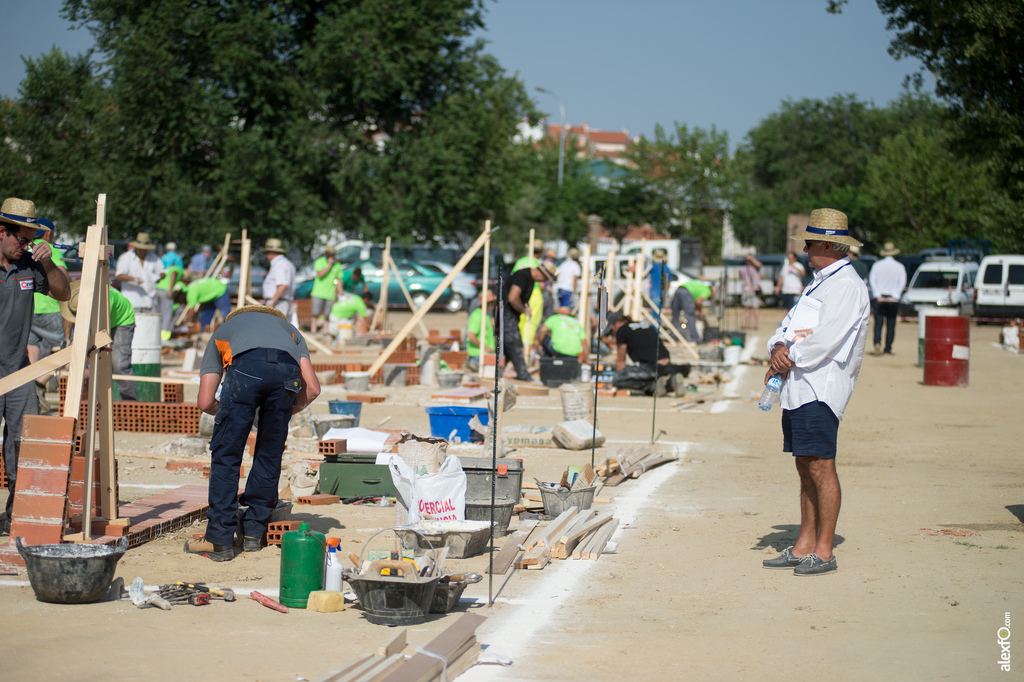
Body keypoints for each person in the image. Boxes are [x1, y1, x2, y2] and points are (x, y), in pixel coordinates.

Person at [762, 208, 869, 577]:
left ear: (827, 243)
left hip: (821, 387)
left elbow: (826, 340)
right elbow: (788, 324)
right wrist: (777, 346)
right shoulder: (820, 280)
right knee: (804, 463)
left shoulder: (848, 285)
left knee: (821, 465)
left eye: (809, 243)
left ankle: (824, 551)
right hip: (798, 384)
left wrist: (784, 357)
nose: (805, 249)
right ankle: (803, 544)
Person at [185, 305, 321, 561]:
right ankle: (254, 534)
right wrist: (282, 414)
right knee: (269, 454)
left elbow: (204, 402)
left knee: (227, 454)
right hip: (285, 378)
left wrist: (228, 411)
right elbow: (313, 388)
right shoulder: (291, 332)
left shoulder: (224, 330)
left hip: (245, 373)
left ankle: (219, 540)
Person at [0, 197, 71, 531]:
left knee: (22, 443)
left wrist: (50, 264)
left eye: (32, 240)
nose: (27, 246)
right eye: (22, 239)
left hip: (18, 371)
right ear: (2, 232)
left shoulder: (29, 265)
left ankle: (17, 512)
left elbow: (63, 294)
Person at [60, 282, 139, 401]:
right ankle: (97, 404)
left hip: (122, 320)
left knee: (119, 365)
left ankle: (131, 404)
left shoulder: (104, 303)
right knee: (96, 364)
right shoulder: (75, 301)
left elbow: (99, 338)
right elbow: (68, 320)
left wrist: (85, 364)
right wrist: (68, 341)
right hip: (103, 321)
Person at [27, 219, 69, 407]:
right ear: (48, 233)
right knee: (69, 350)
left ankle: (32, 392)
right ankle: (41, 379)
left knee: (32, 352)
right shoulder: (50, 250)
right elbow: (64, 281)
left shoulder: (24, 248)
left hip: (29, 309)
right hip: (50, 308)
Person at [602, 312, 690, 397]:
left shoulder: (622, 331)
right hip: (667, 365)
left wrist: (615, 382)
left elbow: (620, 362)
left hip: (650, 368)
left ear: (616, 323)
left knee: (619, 379)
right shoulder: (646, 325)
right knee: (650, 376)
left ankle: (652, 386)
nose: (613, 333)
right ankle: (670, 383)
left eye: (612, 330)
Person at [499, 261, 556, 381]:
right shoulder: (524, 277)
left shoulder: (528, 278)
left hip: (508, 315)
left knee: (508, 347)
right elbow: (513, 298)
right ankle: (523, 374)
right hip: (506, 314)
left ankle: (498, 372)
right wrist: (524, 310)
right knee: (515, 343)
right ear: (542, 274)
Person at [868, 242, 907, 356]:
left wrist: (877, 295)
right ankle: (888, 347)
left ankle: (877, 343)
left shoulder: (877, 265)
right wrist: (895, 295)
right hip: (893, 298)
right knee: (891, 323)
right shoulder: (900, 266)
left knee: (878, 323)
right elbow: (902, 282)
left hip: (880, 297)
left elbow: (872, 280)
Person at [114, 232, 164, 313]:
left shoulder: (153, 257)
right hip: (132, 301)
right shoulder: (126, 257)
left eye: (144, 249)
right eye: (140, 249)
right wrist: (134, 279)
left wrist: (159, 277)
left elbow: (162, 271)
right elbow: (119, 275)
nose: (142, 251)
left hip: (150, 301)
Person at [262, 238, 296, 322]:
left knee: (274, 329)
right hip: (282, 301)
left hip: (279, 303)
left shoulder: (279, 265)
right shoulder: (286, 263)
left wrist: (272, 302)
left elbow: (283, 285)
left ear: (271, 253)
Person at [310, 246, 342, 333]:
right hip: (318, 292)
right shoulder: (320, 261)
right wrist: (329, 265)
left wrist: (340, 292)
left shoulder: (338, 265)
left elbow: (339, 279)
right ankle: (313, 332)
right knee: (315, 314)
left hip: (330, 294)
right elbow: (320, 274)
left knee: (327, 315)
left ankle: (325, 332)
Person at [671, 279, 713, 344]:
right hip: (686, 292)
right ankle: (694, 338)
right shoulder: (708, 291)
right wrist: (699, 310)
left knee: (675, 315)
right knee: (690, 316)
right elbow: (698, 302)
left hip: (679, 289)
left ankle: (673, 336)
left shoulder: (701, 285)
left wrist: (698, 309)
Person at [464, 290, 496, 372]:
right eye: (491, 302)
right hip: (478, 354)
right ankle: (471, 365)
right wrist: (484, 347)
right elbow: (471, 335)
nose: (493, 304)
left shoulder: (487, 315)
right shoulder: (477, 316)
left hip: (485, 354)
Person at [154, 258, 184, 340]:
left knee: (158, 313)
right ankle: (164, 337)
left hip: (157, 289)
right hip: (165, 291)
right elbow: (173, 274)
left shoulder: (166, 269)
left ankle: (156, 334)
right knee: (167, 314)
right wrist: (170, 289)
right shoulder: (177, 269)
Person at [648, 248, 675, 313]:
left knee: (655, 313)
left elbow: (644, 272)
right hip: (663, 293)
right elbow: (668, 281)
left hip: (655, 293)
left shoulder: (653, 267)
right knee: (660, 313)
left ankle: (655, 323)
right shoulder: (666, 267)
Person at [740, 253, 762, 329]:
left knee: (755, 307)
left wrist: (751, 258)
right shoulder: (744, 268)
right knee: (746, 307)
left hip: (754, 289)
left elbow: (759, 265)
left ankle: (755, 324)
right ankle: (745, 324)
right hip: (746, 289)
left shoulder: (756, 267)